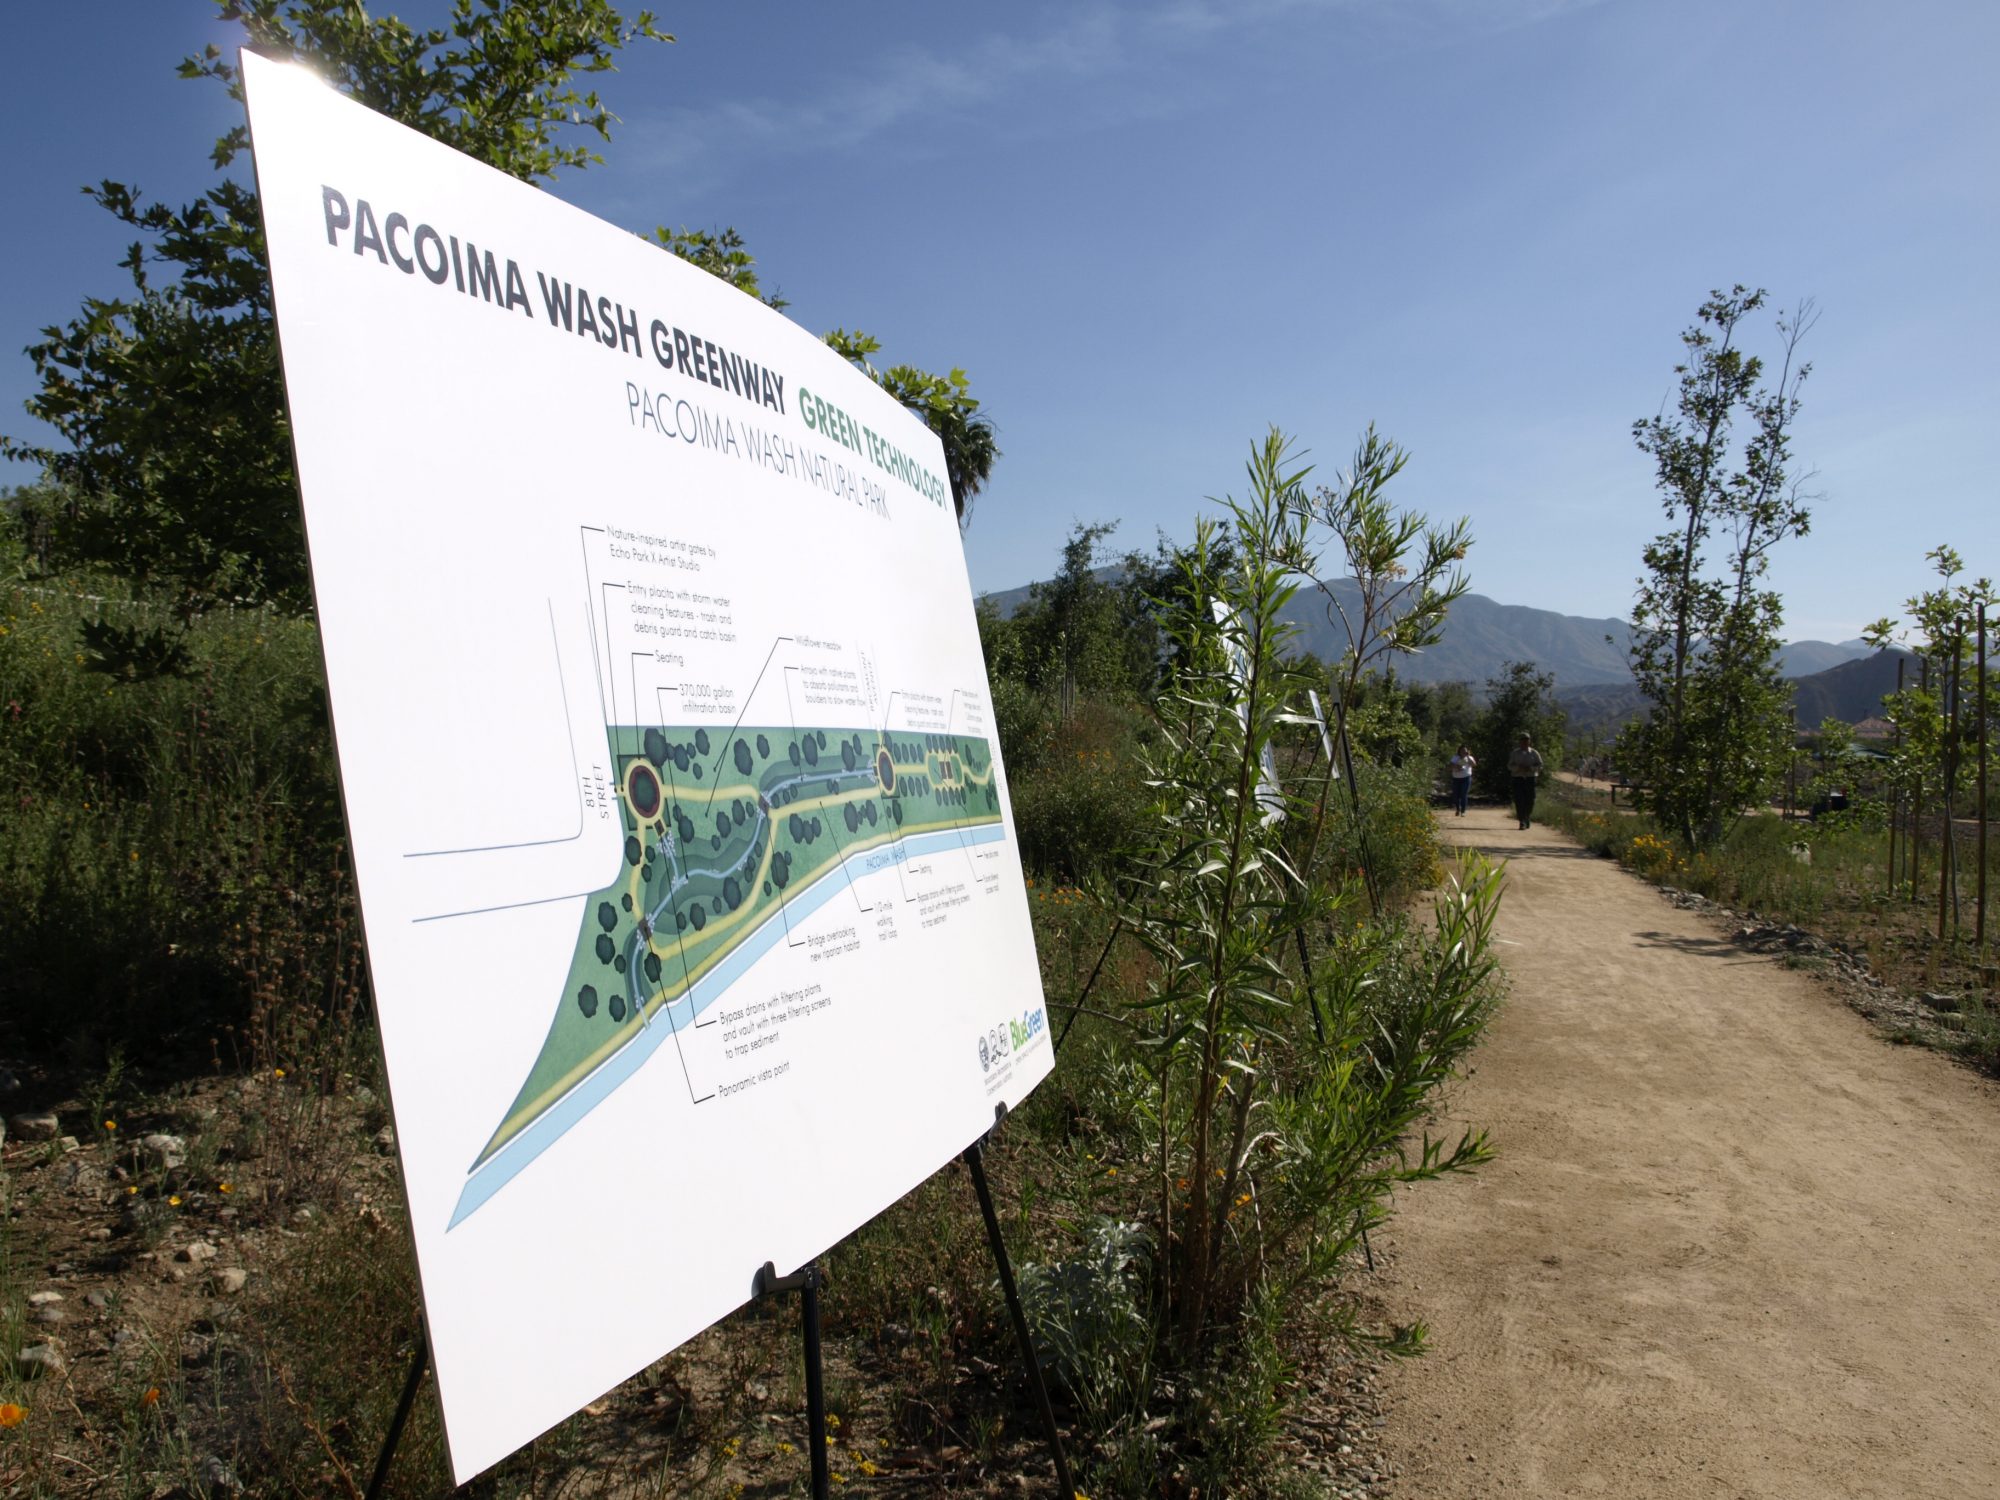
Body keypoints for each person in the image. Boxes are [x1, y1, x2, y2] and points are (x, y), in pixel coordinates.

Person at [1507, 733, 1544, 830]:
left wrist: (1531, 768)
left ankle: (1527, 816)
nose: (1525, 742)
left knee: (1530, 800)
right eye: (1523, 740)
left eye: (1527, 740)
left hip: (1530, 778)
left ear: (1529, 741)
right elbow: (1509, 766)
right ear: (1520, 742)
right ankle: (1521, 821)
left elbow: (1540, 765)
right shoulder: (1515, 753)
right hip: (1518, 778)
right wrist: (1518, 768)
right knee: (1519, 800)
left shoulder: (1534, 753)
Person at [1448, 744, 1476, 817]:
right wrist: (1456, 766)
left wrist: (1467, 757)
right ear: (1459, 751)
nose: (1464, 752)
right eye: (1462, 750)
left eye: (1465, 751)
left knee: (1463, 794)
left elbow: (1473, 764)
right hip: (1456, 778)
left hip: (1466, 778)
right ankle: (1458, 809)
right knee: (1456, 795)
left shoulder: (1470, 758)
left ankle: (1463, 811)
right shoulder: (1455, 758)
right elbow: (1450, 766)